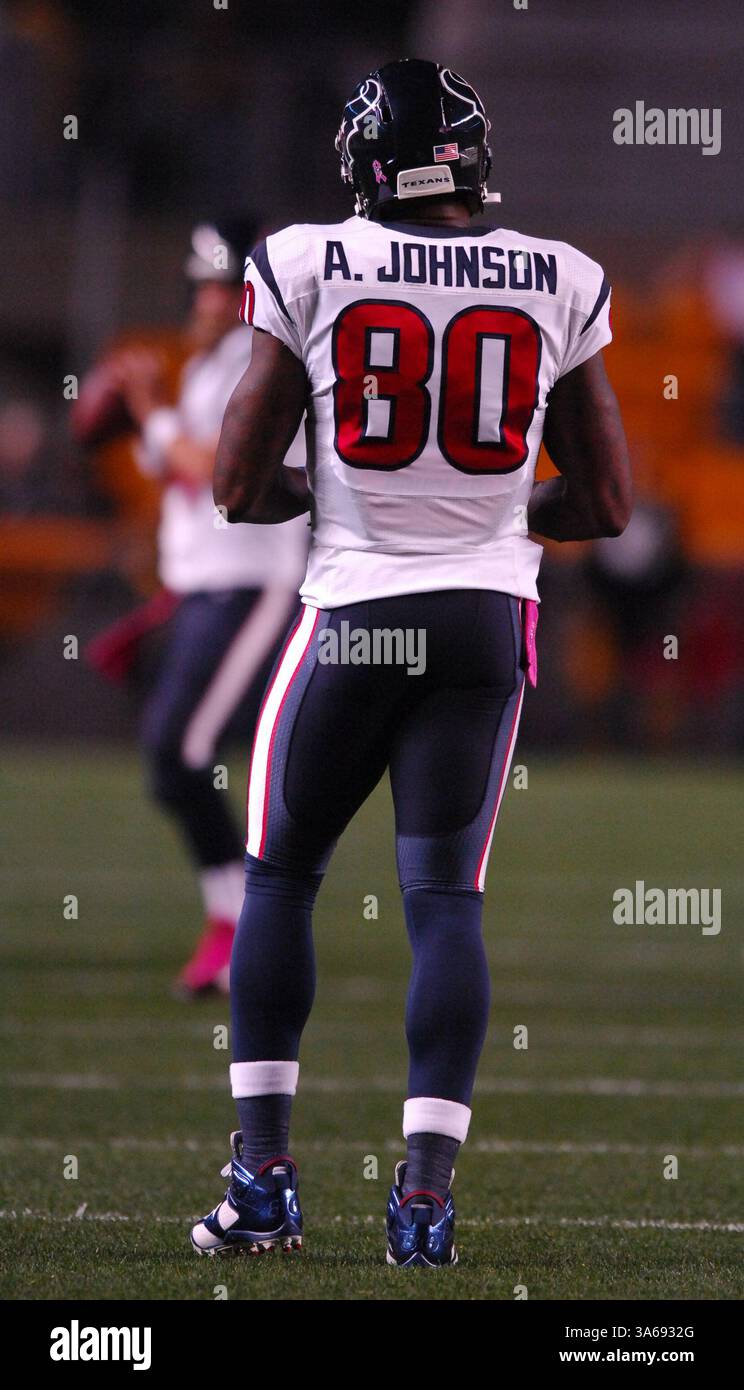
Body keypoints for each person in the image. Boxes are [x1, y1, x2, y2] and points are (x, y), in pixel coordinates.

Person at [190, 60, 631, 1265]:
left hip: (352, 613)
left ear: (370, 162)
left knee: (281, 878)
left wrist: (354, 499)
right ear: (475, 158)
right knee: (446, 903)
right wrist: (477, 517)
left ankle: (264, 1184)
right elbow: (604, 503)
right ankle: (425, 1204)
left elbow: (233, 487)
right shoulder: (561, 274)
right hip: (488, 621)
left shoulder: (310, 259)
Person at [87, 221, 308, 997]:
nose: (209, 300)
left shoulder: (259, 359)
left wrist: (145, 406)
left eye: (224, 286)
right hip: (204, 586)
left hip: (253, 583)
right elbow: (175, 470)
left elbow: (213, 470)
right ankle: (241, 915)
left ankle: (243, 920)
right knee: (173, 759)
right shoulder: (214, 364)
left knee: (180, 752)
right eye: (204, 285)